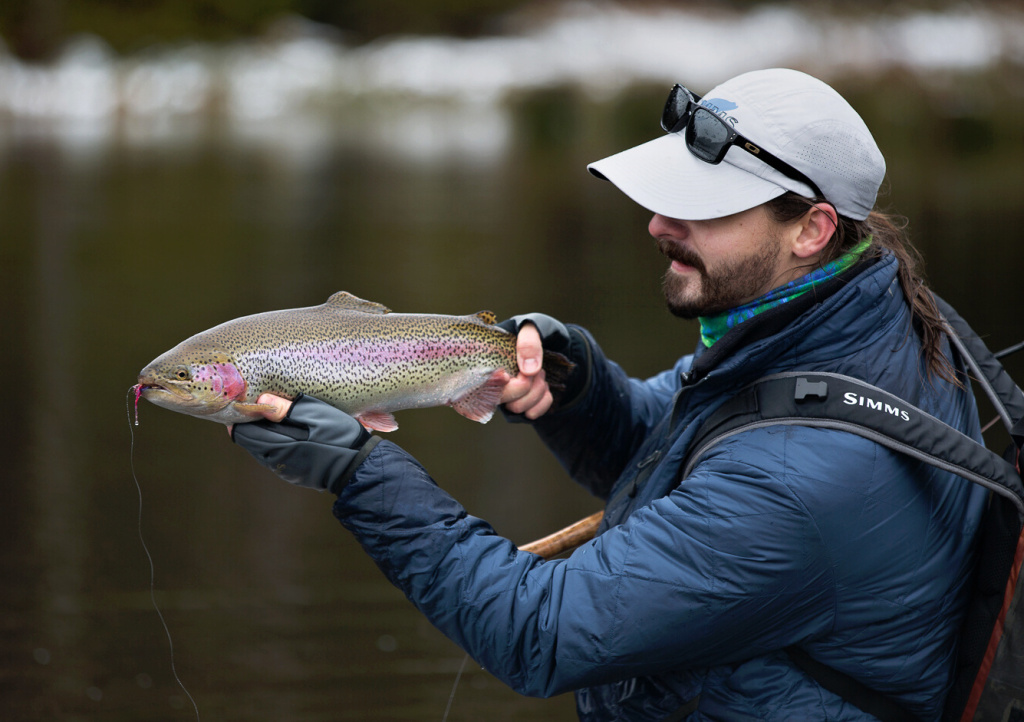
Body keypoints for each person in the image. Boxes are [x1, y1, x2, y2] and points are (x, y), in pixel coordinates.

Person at [232, 68, 988, 720]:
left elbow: (542, 632)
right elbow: (679, 458)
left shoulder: (799, 478)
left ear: (812, 228)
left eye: (703, 208)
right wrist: (575, 384)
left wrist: (360, 473)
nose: (658, 223)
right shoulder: (853, 319)